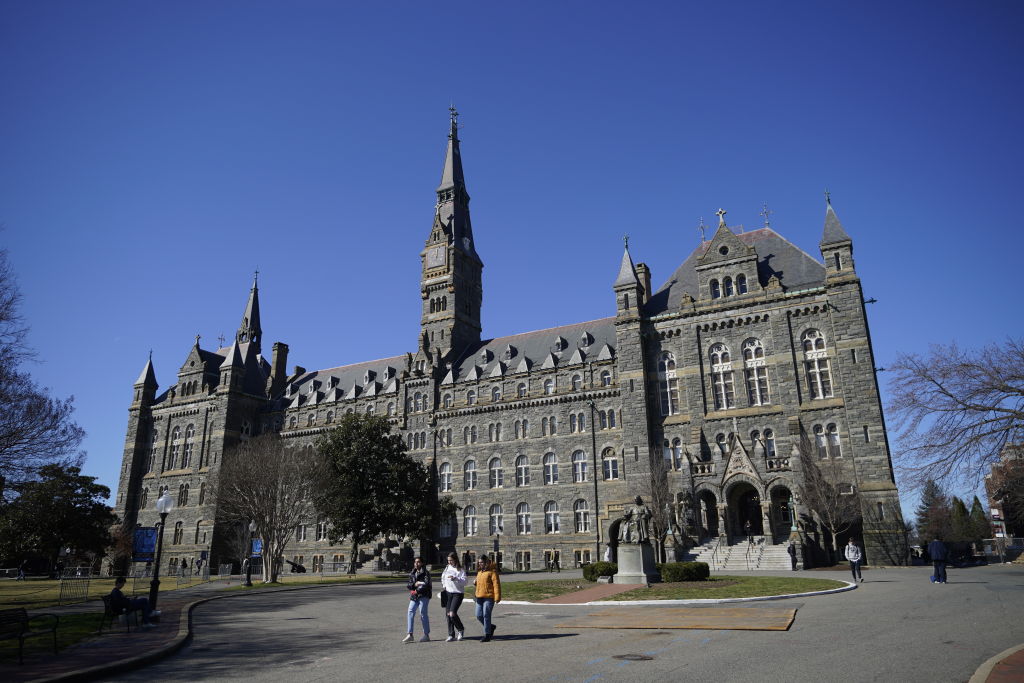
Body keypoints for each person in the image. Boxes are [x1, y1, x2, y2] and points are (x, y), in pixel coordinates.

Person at [473, 556, 501, 642]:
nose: (480, 564)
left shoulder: (492, 572)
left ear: (486, 563)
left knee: (486, 615)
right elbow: (480, 583)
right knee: (478, 615)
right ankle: (491, 627)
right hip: (479, 597)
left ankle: (487, 634)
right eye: (479, 562)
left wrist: (497, 597)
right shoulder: (479, 572)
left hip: (488, 597)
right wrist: (475, 582)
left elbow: (496, 585)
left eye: (481, 562)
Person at [403, 556, 431, 643]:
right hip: (414, 596)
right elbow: (409, 585)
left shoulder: (425, 573)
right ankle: (410, 634)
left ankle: (426, 635)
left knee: (423, 613)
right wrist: (414, 586)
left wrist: (417, 590)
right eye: (415, 562)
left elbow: (426, 585)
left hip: (424, 595)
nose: (416, 563)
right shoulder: (412, 572)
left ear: (422, 563)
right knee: (410, 612)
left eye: (418, 562)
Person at [440, 552, 467, 642]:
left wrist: (456, 578)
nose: (449, 562)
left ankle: (460, 629)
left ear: (455, 559)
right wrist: (444, 585)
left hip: (457, 594)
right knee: (448, 615)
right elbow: (443, 577)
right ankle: (451, 634)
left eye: (451, 560)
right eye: (448, 560)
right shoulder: (447, 567)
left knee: (452, 613)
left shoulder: (460, 569)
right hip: (448, 593)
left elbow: (465, 582)